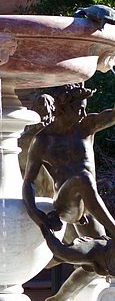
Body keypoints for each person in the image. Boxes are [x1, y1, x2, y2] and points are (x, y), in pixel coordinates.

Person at [23, 82, 115, 239]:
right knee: (83, 178)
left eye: (84, 108)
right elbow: (28, 182)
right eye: (78, 109)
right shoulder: (44, 140)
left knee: (98, 256)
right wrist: (36, 213)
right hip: (65, 205)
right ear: (62, 108)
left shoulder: (86, 127)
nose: (83, 113)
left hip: (89, 205)